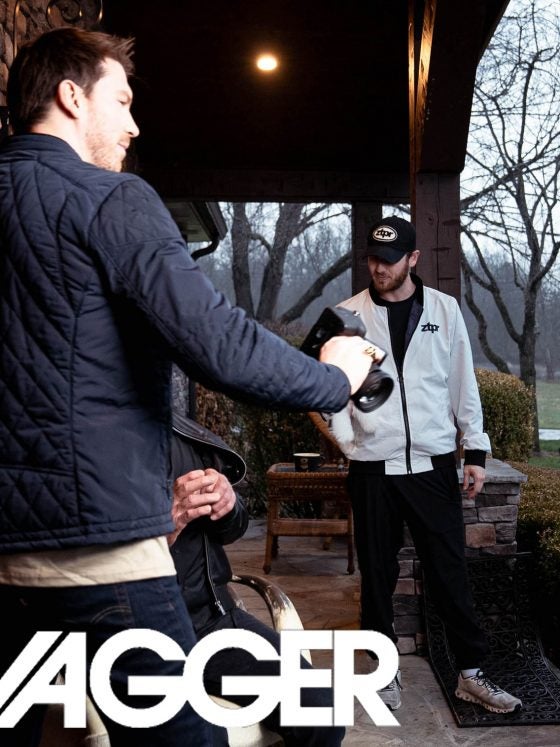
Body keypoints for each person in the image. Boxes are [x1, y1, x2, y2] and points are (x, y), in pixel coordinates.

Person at [0, 27, 373, 747]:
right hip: (97, 546)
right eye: (122, 101)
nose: (134, 125)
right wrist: (335, 377)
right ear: (70, 96)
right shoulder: (110, 199)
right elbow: (219, 343)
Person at [328, 216, 522, 714]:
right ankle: (383, 672)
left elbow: (462, 383)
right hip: (373, 469)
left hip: (431, 465)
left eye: (390, 261)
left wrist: (474, 450)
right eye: (373, 259)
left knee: (448, 570)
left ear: (412, 259)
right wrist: (349, 443)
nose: (379, 268)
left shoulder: (444, 309)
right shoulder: (346, 317)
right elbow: (326, 392)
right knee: (377, 575)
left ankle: (470, 674)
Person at [169, 410, 345, 746]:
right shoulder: (90, 450)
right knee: (203, 736)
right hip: (139, 633)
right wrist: (163, 523)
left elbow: (233, 529)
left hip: (210, 622)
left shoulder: (182, 433)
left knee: (321, 711)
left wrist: (228, 505)